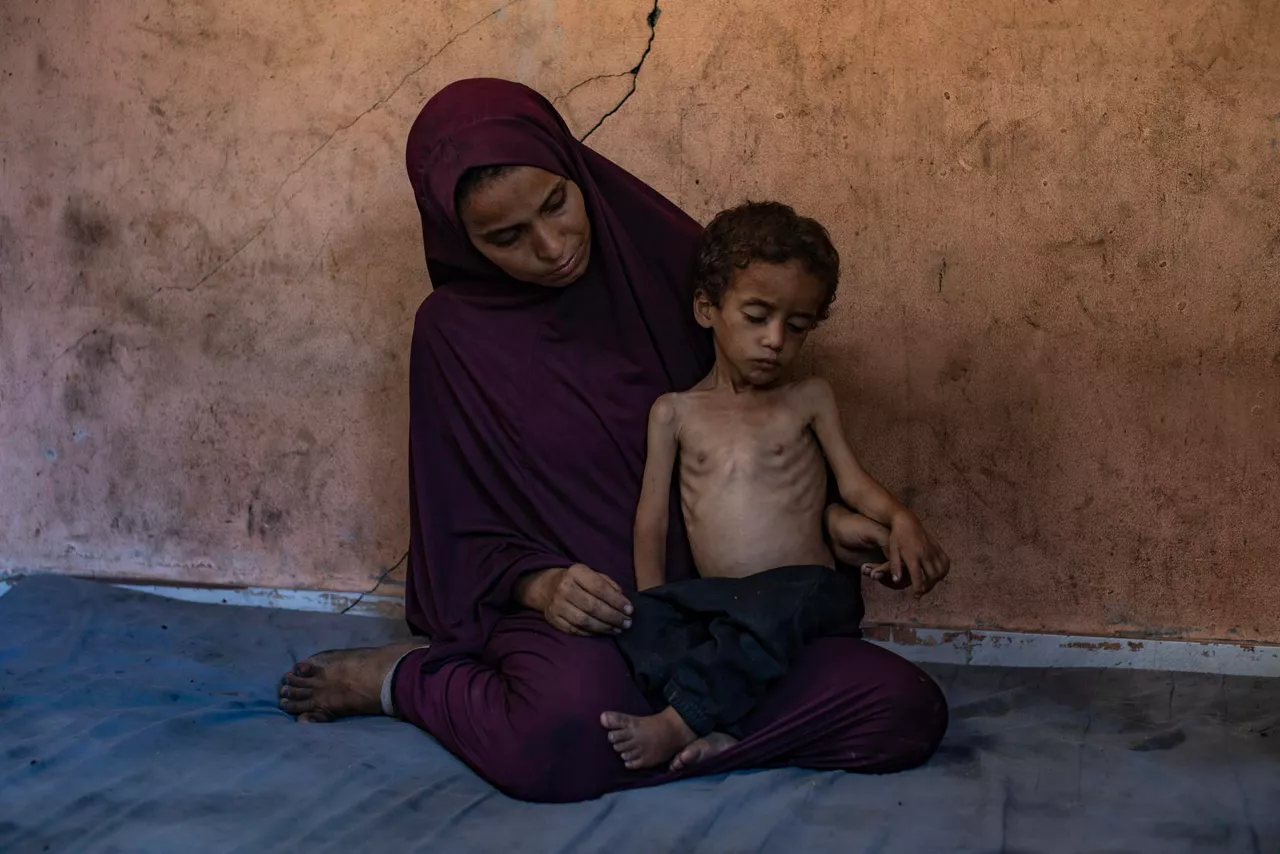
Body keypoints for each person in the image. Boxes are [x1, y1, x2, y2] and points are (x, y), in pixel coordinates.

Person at [277, 78, 950, 803]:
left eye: (557, 203)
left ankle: (684, 728)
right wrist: (542, 585)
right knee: (559, 737)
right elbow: (457, 533)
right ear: (456, 237)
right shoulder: (454, 335)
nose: (553, 245)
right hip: (587, 631)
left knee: (902, 711)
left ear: (575, 168)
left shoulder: (672, 263)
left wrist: (833, 525)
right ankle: (406, 682)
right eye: (506, 237)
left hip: (724, 616)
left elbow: (752, 442)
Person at [602, 202, 950, 772]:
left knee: (775, 604)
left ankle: (681, 721)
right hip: (726, 606)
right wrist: (654, 607)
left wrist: (901, 519)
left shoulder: (809, 398)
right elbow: (653, 520)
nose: (775, 340)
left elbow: (853, 484)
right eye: (757, 315)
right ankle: (729, 732)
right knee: (646, 633)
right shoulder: (674, 412)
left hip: (806, 596)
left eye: (797, 325)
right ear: (707, 308)